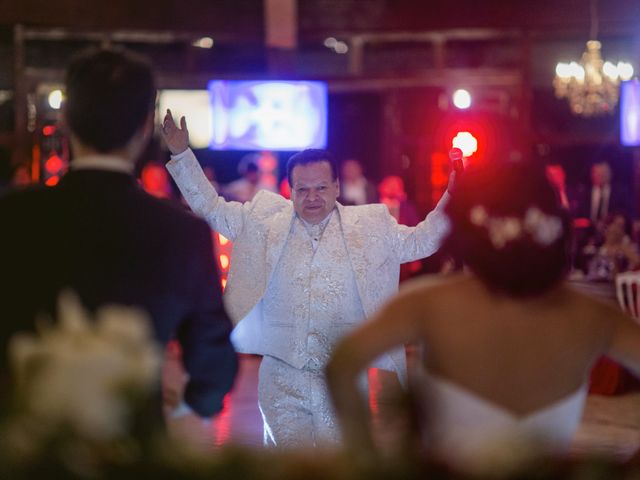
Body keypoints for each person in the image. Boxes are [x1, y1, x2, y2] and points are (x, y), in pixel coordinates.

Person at [160, 110, 454, 448]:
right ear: (290, 189)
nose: (312, 197)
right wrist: (182, 154)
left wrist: (454, 195)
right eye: (303, 189)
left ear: (337, 187)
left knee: (338, 468)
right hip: (281, 376)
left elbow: (422, 240)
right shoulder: (262, 222)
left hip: (342, 374)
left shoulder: (370, 226)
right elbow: (210, 207)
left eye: (320, 188)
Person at [327, 159, 640, 470]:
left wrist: (367, 460)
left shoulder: (427, 301)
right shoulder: (590, 314)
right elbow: (341, 366)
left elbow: (341, 365)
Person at [0, 47, 237, 422]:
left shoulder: (13, 217)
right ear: (146, 125)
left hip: (28, 446)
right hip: (134, 448)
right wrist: (192, 402)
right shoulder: (182, 233)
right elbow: (213, 364)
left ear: (65, 120)